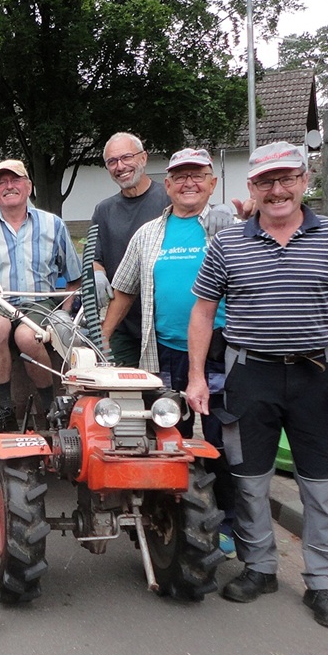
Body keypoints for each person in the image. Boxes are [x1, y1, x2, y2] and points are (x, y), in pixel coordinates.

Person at [186, 141, 328, 630]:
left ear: (304, 181)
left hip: (319, 376)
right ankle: (260, 567)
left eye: (287, 178)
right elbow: (203, 311)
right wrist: (195, 377)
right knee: (249, 480)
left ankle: (325, 583)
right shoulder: (228, 243)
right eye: (266, 181)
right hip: (251, 374)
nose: (277, 189)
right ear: (252, 188)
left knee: (320, 483)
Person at [100, 148, 236, 553]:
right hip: (162, 354)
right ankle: (168, 520)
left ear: (212, 183)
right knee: (164, 436)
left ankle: (225, 524)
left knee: (221, 441)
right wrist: (102, 337)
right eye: (179, 177)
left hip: (220, 352)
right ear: (168, 185)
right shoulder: (148, 234)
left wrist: (239, 216)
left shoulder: (227, 227)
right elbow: (124, 288)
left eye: (198, 176)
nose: (188, 183)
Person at [0, 159, 81, 431]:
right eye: (1, 182)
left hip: (39, 303)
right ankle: (5, 408)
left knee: (27, 335)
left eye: (15, 180)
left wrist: (64, 314)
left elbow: (74, 277)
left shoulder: (53, 225)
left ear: (28, 186)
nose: (9, 186)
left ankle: (50, 407)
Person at [89, 132, 171, 365]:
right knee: (120, 390)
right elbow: (96, 257)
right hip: (122, 323)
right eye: (112, 162)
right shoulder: (104, 210)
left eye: (126, 157)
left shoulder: (168, 200)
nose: (120, 166)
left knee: (164, 394)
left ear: (143, 158)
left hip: (161, 323)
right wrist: (96, 272)